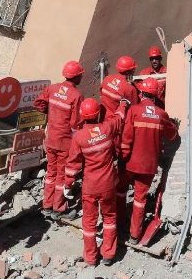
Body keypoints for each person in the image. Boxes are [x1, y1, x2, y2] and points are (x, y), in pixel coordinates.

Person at [64, 96, 129, 267]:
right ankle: (108, 254)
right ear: (98, 113)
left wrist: (68, 184)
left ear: (82, 115)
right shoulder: (107, 129)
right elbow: (119, 118)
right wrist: (123, 104)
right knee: (109, 218)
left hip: (90, 186)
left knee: (89, 223)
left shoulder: (79, 137)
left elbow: (72, 164)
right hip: (108, 184)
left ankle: (91, 258)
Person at [119, 78, 177, 242]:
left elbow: (126, 139)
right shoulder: (161, 114)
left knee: (120, 190)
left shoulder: (134, 111)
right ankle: (135, 235)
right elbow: (172, 135)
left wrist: (122, 159)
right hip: (149, 166)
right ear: (155, 96)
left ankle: (120, 221)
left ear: (141, 93)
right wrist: (174, 125)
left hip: (131, 163)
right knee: (140, 200)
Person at [34, 60, 85, 218]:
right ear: (76, 77)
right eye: (80, 75)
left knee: (51, 173)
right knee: (61, 175)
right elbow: (76, 123)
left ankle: (47, 205)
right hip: (64, 142)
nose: (81, 78)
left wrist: (50, 113)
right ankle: (58, 208)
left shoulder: (52, 88)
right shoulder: (77, 96)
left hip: (51, 139)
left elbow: (39, 103)